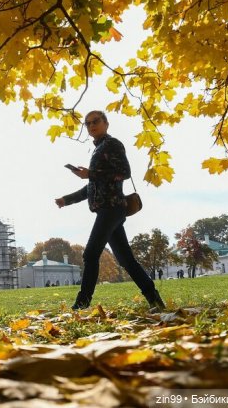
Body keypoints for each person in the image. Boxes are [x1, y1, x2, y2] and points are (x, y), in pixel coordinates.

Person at [55, 111, 165, 311]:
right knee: (126, 260)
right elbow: (92, 187)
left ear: (106, 123)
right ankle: (154, 299)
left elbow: (124, 172)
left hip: (112, 208)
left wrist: (91, 174)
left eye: (95, 121)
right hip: (106, 210)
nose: (91, 126)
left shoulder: (112, 144)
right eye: (87, 123)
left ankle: (82, 303)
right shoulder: (97, 150)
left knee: (90, 254)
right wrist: (66, 200)